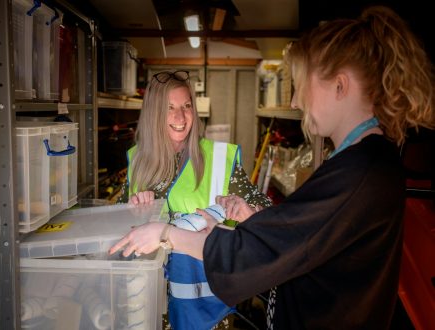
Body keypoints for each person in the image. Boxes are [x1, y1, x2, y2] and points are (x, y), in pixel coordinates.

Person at [110, 5, 435, 329]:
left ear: (339, 85)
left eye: (300, 85)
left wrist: (167, 234)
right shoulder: (358, 165)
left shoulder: (361, 173)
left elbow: (260, 251)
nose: (294, 102)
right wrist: (251, 219)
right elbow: (293, 237)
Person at [115, 69, 271, 329]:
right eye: (170, 108)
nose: (180, 116)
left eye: (187, 106)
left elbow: (267, 212)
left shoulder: (218, 158)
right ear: (154, 113)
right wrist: (131, 211)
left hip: (207, 308)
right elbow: (115, 228)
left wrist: (247, 210)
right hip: (149, 303)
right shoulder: (137, 160)